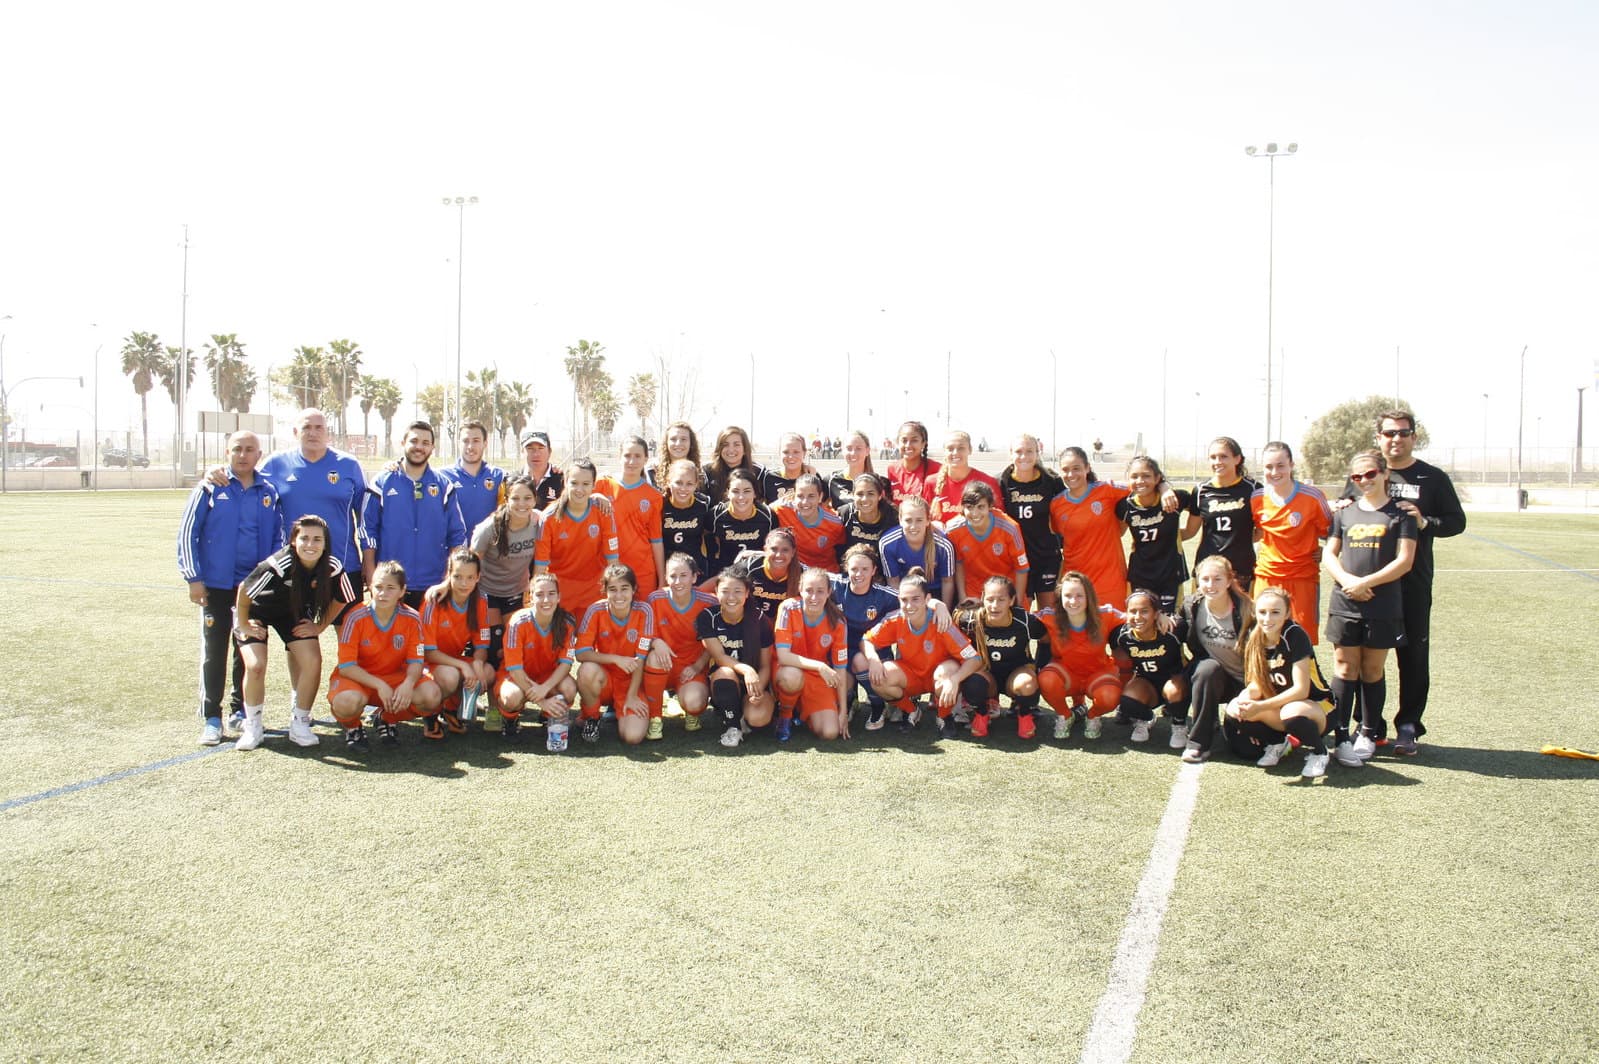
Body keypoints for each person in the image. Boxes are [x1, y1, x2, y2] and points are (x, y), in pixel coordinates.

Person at [1341, 409, 1466, 755]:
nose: (1396, 439)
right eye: (1389, 433)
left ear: (1414, 436)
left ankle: (1409, 725)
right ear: (1378, 437)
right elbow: (1346, 513)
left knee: (1412, 654)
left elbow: (1457, 521)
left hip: (1411, 581)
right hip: (1368, 586)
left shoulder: (1432, 478)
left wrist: (1426, 522)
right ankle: (1369, 725)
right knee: (1366, 657)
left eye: (1403, 432)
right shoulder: (1366, 472)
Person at [178, 430, 284, 746]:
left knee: (247, 648)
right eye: (237, 449)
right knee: (215, 649)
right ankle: (212, 717)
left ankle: (239, 710)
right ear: (227, 452)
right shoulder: (210, 487)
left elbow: (279, 539)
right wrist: (194, 578)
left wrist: (271, 579)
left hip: (253, 587)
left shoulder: (269, 491)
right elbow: (188, 533)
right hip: (216, 585)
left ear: (259, 454)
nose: (243, 454)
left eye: (250, 449)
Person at [1324, 449, 1417, 768]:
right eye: (1357, 476)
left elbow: (1405, 561)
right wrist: (1349, 581)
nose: (1364, 480)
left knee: (1372, 670)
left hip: (1382, 605)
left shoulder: (1401, 514)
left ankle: (1367, 732)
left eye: (1370, 474)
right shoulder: (1344, 514)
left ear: (1384, 474)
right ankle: (1340, 734)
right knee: (1344, 669)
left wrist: (1367, 584)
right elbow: (1329, 555)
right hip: (1345, 601)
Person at [233, 515, 358, 751]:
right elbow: (244, 591)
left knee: (312, 660)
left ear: (325, 544)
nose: (310, 545)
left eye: (317, 540)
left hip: (292, 614)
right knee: (256, 665)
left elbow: (343, 599)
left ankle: (300, 722)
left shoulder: (332, 567)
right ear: (293, 541)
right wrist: (243, 624)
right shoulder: (278, 565)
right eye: (305, 539)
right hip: (256, 612)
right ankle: (253, 726)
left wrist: (320, 626)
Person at [327, 561, 442, 748]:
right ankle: (353, 727)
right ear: (370, 587)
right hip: (359, 680)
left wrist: (408, 683)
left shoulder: (412, 618)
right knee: (346, 703)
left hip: (394, 677)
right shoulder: (354, 617)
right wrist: (379, 684)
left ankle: (387, 719)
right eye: (378, 587)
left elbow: (416, 660)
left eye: (390, 588)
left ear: (402, 591)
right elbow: (347, 667)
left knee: (431, 695)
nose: (383, 593)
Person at [1225, 586, 1336, 778]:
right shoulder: (1254, 637)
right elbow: (1257, 684)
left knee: (1290, 712)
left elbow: (1301, 690)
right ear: (1254, 612)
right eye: (1262, 612)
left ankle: (1320, 752)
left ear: (1287, 614)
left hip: (1319, 707)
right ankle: (1277, 742)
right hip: (1280, 706)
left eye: (1275, 612)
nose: (1268, 619)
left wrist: (1260, 707)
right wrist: (1244, 700)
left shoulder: (1295, 635)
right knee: (1234, 710)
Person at [860, 568, 984, 740]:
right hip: (912, 676)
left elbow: (974, 658)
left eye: (915, 599)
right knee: (880, 677)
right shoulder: (895, 620)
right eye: (904, 600)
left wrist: (955, 680)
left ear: (927, 599)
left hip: (940, 676)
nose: (909, 606)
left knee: (946, 673)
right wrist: (873, 659)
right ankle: (911, 710)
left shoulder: (942, 622)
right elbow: (867, 640)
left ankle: (944, 716)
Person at [1050, 446, 1173, 614]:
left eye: (1076, 468)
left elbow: (1142, 485)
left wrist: (1165, 488)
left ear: (1087, 468)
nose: (1071, 474)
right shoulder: (1056, 505)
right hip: (1075, 582)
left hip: (1111, 579)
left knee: (1116, 632)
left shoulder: (1108, 490)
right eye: (1066, 470)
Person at [251, 408, 368, 583]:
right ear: (295, 432)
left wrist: (368, 559)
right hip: (293, 567)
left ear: (327, 432)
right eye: (306, 427)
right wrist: (217, 472)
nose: (313, 433)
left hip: (342, 566)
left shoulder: (349, 465)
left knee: (345, 611)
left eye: (319, 427)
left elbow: (366, 518)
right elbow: (243, 479)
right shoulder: (276, 464)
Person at [361, 420, 468, 605]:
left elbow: (457, 536)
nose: (419, 447)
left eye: (425, 443)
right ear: (403, 443)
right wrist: (371, 576)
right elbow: (368, 531)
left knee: (430, 635)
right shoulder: (382, 482)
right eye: (414, 441)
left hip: (433, 584)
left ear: (432, 448)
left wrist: (449, 579)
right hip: (390, 584)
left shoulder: (444, 486)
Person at [1173, 555, 1255, 763]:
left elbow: (1262, 657)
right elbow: (1177, 631)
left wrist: (1253, 690)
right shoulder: (1192, 605)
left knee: (1246, 750)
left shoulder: (1247, 610)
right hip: (1214, 678)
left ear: (1229, 581)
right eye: (1205, 579)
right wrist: (1162, 618)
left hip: (1247, 684)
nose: (1211, 585)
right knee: (1206, 669)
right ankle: (1198, 743)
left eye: (1217, 579)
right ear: (1198, 581)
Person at [574, 564, 666, 744]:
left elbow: (640, 658)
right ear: (605, 591)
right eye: (612, 589)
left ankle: (624, 710)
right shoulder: (595, 610)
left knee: (632, 737)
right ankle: (591, 717)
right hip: (605, 679)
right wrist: (616, 659)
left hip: (632, 682)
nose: (619, 595)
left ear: (634, 590)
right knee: (587, 670)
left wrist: (631, 696)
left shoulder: (644, 611)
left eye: (624, 589)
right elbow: (581, 653)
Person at [1251, 442, 1331, 643]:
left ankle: (1304, 675)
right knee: (1264, 637)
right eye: (1269, 467)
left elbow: (1332, 532)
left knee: (1301, 638)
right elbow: (1255, 532)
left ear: (1291, 465)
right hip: (1267, 577)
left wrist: (1326, 551)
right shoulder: (1257, 498)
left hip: (1302, 577)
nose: (1274, 471)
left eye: (1280, 465)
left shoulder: (1313, 497)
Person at [953, 576, 1046, 739]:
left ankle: (1024, 714)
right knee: (972, 682)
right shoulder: (972, 620)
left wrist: (1038, 668)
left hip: (1016, 675)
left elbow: (1046, 639)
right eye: (990, 599)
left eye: (1001, 600)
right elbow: (951, 628)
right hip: (988, 678)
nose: (995, 606)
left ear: (1011, 600)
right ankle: (982, 713)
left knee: (1027, 684)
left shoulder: (1023, 620)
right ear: (982, 599)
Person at [1036, 571, 1125, 740]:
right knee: (1046, 679)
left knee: (1110, 696)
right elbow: (1019, 618)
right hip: (1068, 675)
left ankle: (1092, 716)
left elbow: (1136, 619)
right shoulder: (1050, 616)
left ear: (1089, 597)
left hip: (1097, 675)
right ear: (1060, 597)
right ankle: (1065, 715)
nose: (1073, 601)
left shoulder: (1105, 614)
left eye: (1079, 596)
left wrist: (1160, 617)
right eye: (1067, 595)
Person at [420, 547, 496, 741]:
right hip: (427, 665)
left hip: (453, 660)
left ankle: (451, 710)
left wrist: (477, 664)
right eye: (458, 576)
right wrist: (464, 665)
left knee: (487, 672)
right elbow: (427, 653)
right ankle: (431, 716)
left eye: (470, 577)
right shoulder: (434, 600)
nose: (464, 583)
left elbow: (481, 645)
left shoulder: (480, 601)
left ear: (478, 577)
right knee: (451, 675)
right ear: (449, 575)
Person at [496, 572, 579, 746]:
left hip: (547, 677)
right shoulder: (517, 622)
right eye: (539, 594)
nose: (546, 600)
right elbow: (514, 668)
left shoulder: (567, 622)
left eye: (551, 594)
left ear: (558, 597)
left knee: (569, 689)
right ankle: (510, 720)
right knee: (510, 697)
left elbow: (566, 664)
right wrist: (542, 701)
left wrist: (545, 688)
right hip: (518, 677)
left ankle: (549, 717)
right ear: (530, 597)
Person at [697, 565, 775, 748]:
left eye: (737, 591)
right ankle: (733, 727)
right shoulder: (708, 617)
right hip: (725, 680)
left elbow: (765, 665)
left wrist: (757, 691)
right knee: (724, 672)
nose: (731, 597)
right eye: (725, 591)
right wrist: (746, 669)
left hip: (754, 682)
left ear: (747, 593)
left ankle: (743, 714)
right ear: (716, 591)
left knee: (757, 719)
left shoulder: (760, 620)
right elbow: (719, 656)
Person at [469, 473, 542, 664]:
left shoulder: (539, 522)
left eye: (527, 498)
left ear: (535, 499)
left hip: (516, 593)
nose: (522, 504)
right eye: (515, 498)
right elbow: (470, 564)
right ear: (506, 499)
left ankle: (512, 690)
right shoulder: (489, 528)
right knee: (494, 647)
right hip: (488, 593)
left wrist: (597, 496)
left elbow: (564, 509)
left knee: (512, 644)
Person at [829, 544, 904, 730]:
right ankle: (850, 701)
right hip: (842, 653)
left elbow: (916, 598)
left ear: (874, 571)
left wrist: (938, 605)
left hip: (875, 655)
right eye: (854, 569)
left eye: (865, 569)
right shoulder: (835, 585)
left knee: (859, 661)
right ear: (846, 568)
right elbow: (805, 571)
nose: (859, 574)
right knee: (840, 682)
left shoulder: (886, 596)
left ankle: (878, 706)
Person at [772, 567, 851, 742]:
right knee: (792, 677)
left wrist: (843, 712)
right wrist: (819, 665)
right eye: (808, 590)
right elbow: (784, 656)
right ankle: (785, 716)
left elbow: (840, 669)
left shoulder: (838, 622)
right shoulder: (788, 608)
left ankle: (802, 712)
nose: (814, 597)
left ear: (829, 592)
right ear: (800, 589)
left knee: (830, 732)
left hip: (816, 676)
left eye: (820, 591)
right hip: (786, 669)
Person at [534, 458, 620, 615]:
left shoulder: (603, 512)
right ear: (565, 482)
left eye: (586, 484)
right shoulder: (549, 517)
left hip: (594, 593)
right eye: (574, 483)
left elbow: (613, 562)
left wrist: (614, 594)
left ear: (594, 485)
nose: (579, 489)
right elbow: (540, 568)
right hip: (560, 595)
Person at [643, 553, 717, 733]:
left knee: (695, 703)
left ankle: (690, 711)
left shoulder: (709, 602)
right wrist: (655, 641)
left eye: (683, 575)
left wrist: (698, 667)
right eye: (673, 576)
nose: (678, 581)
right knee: (653, 656)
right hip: (662, 665)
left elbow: (715, 643)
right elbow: (643, 634)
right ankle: (655, 718)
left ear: (694, 577)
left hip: (690, 669)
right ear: (666, 577)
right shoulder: (655, 599)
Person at [1109, 589, 1188, 744]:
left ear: (1156, 613)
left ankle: (1179, 724)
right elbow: (1116, 652)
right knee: (1126, 701)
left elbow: (1195, 645)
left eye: (1144, 611)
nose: (1138, 617)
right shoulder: (1122, 635)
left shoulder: (1173, 628)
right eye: (1133, 611)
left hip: (1175, 682)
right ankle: (1146, 718)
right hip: (1147, 683)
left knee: (1174, 690)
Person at [1116, 455, 1192, 614]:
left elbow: (1198, 515)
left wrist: (1165, 488)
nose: (1140, 481)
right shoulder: (1125, 506)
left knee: (1169, 622)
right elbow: (1118, 533)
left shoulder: (1174, 499)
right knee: (1141, 619)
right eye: (1134, 476)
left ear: (1157, 478)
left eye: (1146, 476)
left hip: (1170, 574)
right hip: (1140, 574)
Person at [999, 433, 1066, 609]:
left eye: (1029, 451)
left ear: (1037, 453)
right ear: (1010, 453)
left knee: (1050, 615)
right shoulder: (1002, 483)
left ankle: (1047, 639)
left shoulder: (1052, 481)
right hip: (1017, 560)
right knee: (1022, 612)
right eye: (1019, 451)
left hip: (1047, 558)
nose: (1024, 456)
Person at [1183, 436, 1258, 592]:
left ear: (1237, 459)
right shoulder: (1201, 491)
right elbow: (1190, 531)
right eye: (1213, 457)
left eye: (1223, 456)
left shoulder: (1253, 488)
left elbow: (1263, 530)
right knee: (1202, 615)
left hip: (1241, 568)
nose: (1217, 461)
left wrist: (1240, 540)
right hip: (1207, 568)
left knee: (1241, 615)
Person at [596, 435, 666, 593]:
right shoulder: (602, 485)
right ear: (619, 457)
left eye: (637, 456)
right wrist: (596, 496)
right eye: (627, 455)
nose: (632, 461)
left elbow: (656, 540)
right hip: (607, 567)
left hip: (642, 570)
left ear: (646, 459)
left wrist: (661, 579)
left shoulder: (654, 496)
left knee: (642, 615)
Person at [944, 481, 1029, 603]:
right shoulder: (953, 530)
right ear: (962, 508)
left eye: (980, 507)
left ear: (990, 506)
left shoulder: (1009, 528)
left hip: (1004, 594)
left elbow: (1021, 569)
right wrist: (963, 597)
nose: (975, 513)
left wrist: (1017, 603)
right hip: (973, 594)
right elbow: (959, 563)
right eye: (969, 507)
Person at [876, 495, 955, 604]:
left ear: (928, 520)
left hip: (934, 593)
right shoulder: (888, 543)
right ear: (900, 520)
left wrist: (945, 611)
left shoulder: (943, 546)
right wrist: (902, 610)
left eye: (919, 520)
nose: (913, 526)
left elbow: (947, 582)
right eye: (908, 520)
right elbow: (893, 582)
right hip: (906, 592)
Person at [705, 467, 775, 581]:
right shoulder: (715, 515)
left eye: (747, 491)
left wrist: (753, 554)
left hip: (757, 576)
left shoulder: (768, 516)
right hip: (725, 576)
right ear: (727, 493)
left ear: (755, 494)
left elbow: (774, 549)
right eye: (735, 491)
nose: (741, 497)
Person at [440, 420, 506, 536]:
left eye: (476, 441)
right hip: (455, 551)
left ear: (485, 443)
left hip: (488, 551)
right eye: (465, 441)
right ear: (458, 443)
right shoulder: (443, 477)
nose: (470, 447)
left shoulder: (499, 476)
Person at [770, 473, 845, 572]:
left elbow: (842, 549)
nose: (805, 502)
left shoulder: (835, 523)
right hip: (795, 572)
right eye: (800, 496)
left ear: (820, 497)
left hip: (825, 575)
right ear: (793, 496)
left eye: (811, 496)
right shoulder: (781, 510)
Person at [926, 429, 1002, 526]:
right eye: (950, 448)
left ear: (970, 450)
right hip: (941, 540)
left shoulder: (987, 482)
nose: (955, 453)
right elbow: (925, 520)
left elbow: (999, 520)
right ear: (944, 451)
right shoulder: (931, 482)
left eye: (961, 448)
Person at [659, 458, 714, 577]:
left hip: (695, 569)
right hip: (667, 570)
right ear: (668, 482)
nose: (683, 488)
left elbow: (710, 535)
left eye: (689, 484)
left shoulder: (703, 505)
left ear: (696, 485)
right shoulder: (660, 505)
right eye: (678, 482)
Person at [733, 527, 802, 618]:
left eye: (785, 550)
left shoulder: (802, 574)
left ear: (793, 552)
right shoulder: (749, 566)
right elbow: (719, 584)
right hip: (750, 622)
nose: (779, 555)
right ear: (765, 549)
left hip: (784, 625)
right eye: (774, 549)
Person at [835, 472, 898, 563]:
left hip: (883, 574)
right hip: (851, 572)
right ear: (853, 495)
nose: (865, 499)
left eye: (870, 494)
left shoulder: (893, 517)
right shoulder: (845, 514)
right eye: (860, 494)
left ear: (880, 496)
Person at [703, 426, 767, 504]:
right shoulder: (707, 471)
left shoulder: (759, 472)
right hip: (715, 515)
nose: (731, 450)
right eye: (725, 445)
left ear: (745, 449)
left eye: (736, 444)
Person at [885, 420, 940, 504]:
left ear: (923, 444)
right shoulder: (892, 469)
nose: (908, 445)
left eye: (914, 440)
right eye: (904, 440)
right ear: (897, 442)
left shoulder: (937, 469)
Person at [825, 431, 877, 511]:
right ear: (842, 451)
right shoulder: (830, 480)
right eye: (849, 448)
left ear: (867, 451)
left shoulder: (879, 482)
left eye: (858, 449)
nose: (853, 453)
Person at [648, 421, 706, 492]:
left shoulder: (700, 474)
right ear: (666, 442)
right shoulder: (652, 472)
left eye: (683, 439)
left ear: (691, 443)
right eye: (673, 439)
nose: (678, 443)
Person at [517, 430, 565, 508]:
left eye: (541, 448)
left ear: (549, 451)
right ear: (522, 452)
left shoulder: (562, 480)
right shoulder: (513, 480)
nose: (536, 454)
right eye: (530, 449)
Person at [763, 432, 813, 501]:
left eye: (796, 452)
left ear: (804, 453)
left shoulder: (813, 476)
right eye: (786, 452)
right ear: (779, 453)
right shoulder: (768, 478)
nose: (791, 457)